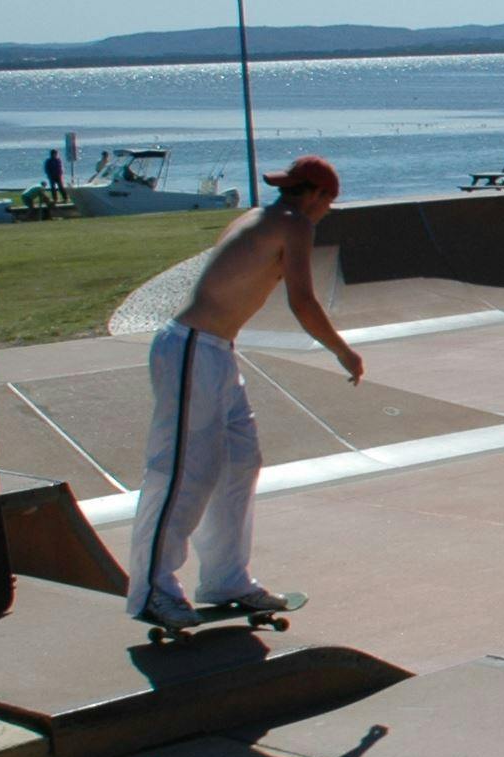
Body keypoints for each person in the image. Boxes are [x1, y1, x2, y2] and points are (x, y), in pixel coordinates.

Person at [126, 156, 361, 630]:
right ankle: (153, 589)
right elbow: (303, 300)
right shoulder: (293, 224)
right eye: (328, 203)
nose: (325, 213)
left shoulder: (258, 217)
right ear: (315, 194)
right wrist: (342, 351)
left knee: (239, 460)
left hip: (212, 352)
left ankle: (225, 579)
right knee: (183, 470)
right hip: (193, 349)